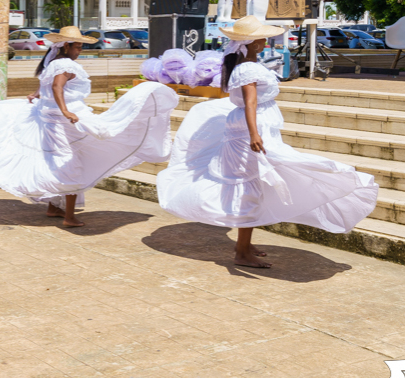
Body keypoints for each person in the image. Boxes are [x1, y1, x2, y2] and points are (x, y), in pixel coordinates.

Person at [156, 16, 379, 268]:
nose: (265, 40)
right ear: (254, 43)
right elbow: (250, 102)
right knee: (250, 187)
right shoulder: (248, 68)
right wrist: (253, 134)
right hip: (249, 132)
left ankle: (245, 244)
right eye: (262, 37)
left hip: (254, 128)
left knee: (255, 184)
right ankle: (241, 252)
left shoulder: (246, 64)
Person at [0, 25, 178, 228]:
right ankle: (69, 215)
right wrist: (65, 110)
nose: (80, 50)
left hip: (53, 119)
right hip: (65, 120)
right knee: (72, 164)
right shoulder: (65, 64)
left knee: (58, 161)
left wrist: (37, 95)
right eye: (78, 46)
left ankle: (54, 207)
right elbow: (57, 87)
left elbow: (49, 87)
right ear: (66, 46)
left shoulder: (53, 63)